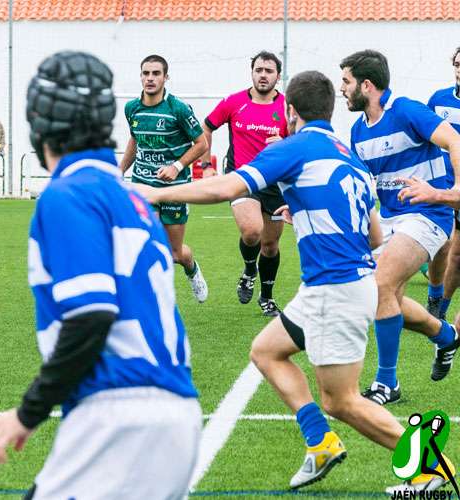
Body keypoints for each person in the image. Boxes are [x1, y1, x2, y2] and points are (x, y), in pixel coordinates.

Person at [135, 70, 454, 495]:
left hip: (334, 289)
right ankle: (320, 442)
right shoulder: (347, 154)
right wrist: (302, 211)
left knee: (341, 401)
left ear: (289, 111)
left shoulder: (294, 147)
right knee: (266, 351)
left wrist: (155, 194)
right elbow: (375, 234)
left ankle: (434, 467)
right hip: (334, 286)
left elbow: (228, 186)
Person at [0, 51, 201, 499]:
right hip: (174, 409)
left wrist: (28, 412)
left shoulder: (69, 194)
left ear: (40, 125)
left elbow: (92, 315)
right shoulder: (135, 200)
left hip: (119, 413)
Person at [341, 50, 460, 405]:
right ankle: (445, 335)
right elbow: (362, 188)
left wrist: (446, 193)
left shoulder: (406, 110)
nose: (341, 89)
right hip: (392, 219)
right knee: (384, 297)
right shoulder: (358, 132)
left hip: (429, 214)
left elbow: (455, 141)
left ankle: (387, 383)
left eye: (346, 81)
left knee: (380, 285)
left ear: (367, 85)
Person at [199, 51, 289, 316]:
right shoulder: (233, 102)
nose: (263, 75)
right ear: (252, 72)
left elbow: (301, 139)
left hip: (275, 181)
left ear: (277, 76)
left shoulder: (287, 107)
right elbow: (205, 127)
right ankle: (250, 270)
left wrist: (286, 143)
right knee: (251, 232)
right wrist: (206, 166)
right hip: (242, 177)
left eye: (269, 71)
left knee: (270, 246)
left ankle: (267, 298)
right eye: (259, 69)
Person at [119, 54, 209, 303]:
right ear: (140, 76)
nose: (150, 78)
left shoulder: (177, 109)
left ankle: (191, 268)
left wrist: (177, 166)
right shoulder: (131, 108)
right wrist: (120, 170)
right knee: (147, 244)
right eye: (146, 73)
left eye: (156, 73)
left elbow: (201, 143)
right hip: (142, 184)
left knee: (175, 253)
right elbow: (135, 140)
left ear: (165, 77)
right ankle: (150, 298)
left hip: (174, 187)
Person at [424, 47, 460, 320]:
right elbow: (423, 136)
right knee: (452, 252)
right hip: (446, 186)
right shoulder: (439, 100)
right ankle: (439, 308)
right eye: (458, 64)